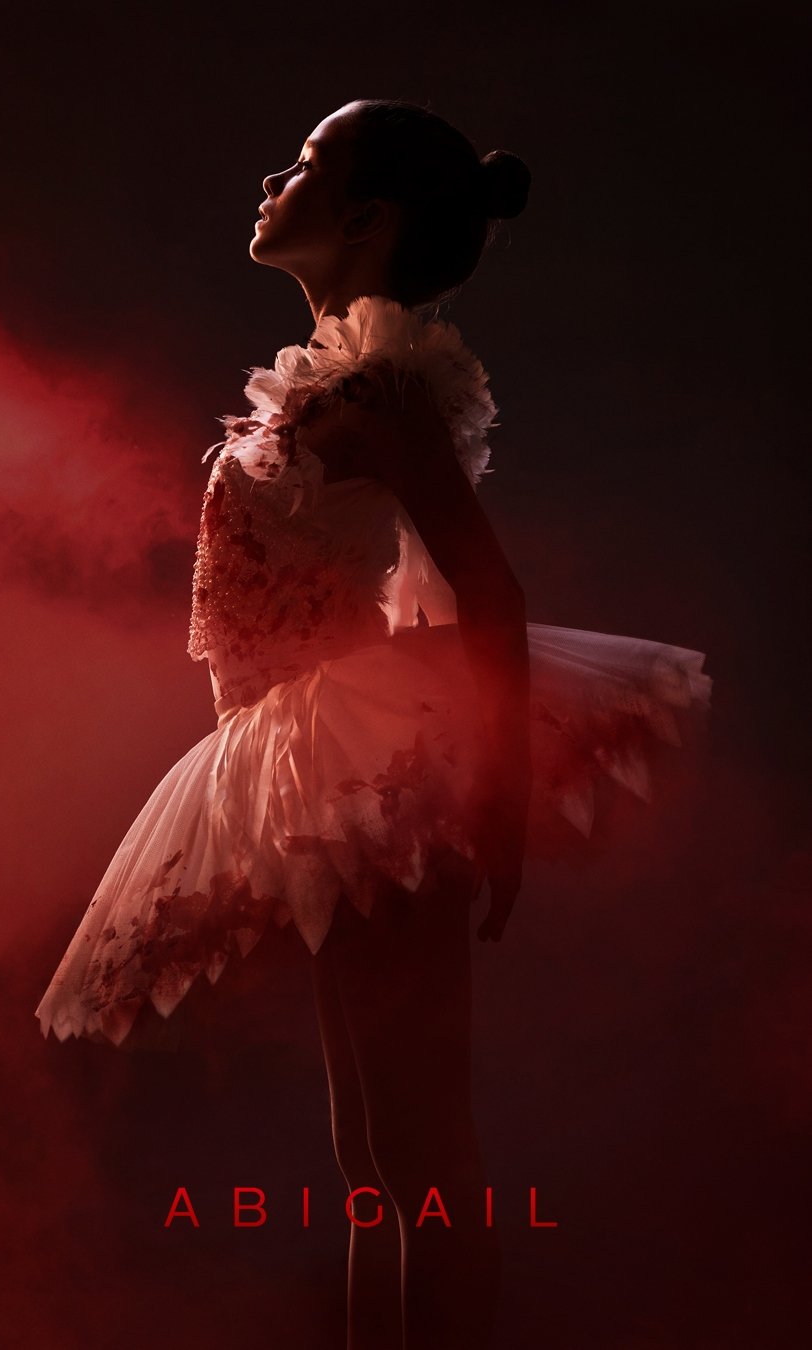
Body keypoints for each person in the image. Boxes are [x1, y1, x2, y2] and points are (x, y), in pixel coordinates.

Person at [35, 99, 712, 1350]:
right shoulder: (332, 387)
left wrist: (494, 800)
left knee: (419, 1148)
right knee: (371, 1156)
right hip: (307, 763)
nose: (271, 177)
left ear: (365, 220)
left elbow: (488, 589)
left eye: (301, 165)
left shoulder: (383, 393)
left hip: (371, 769)